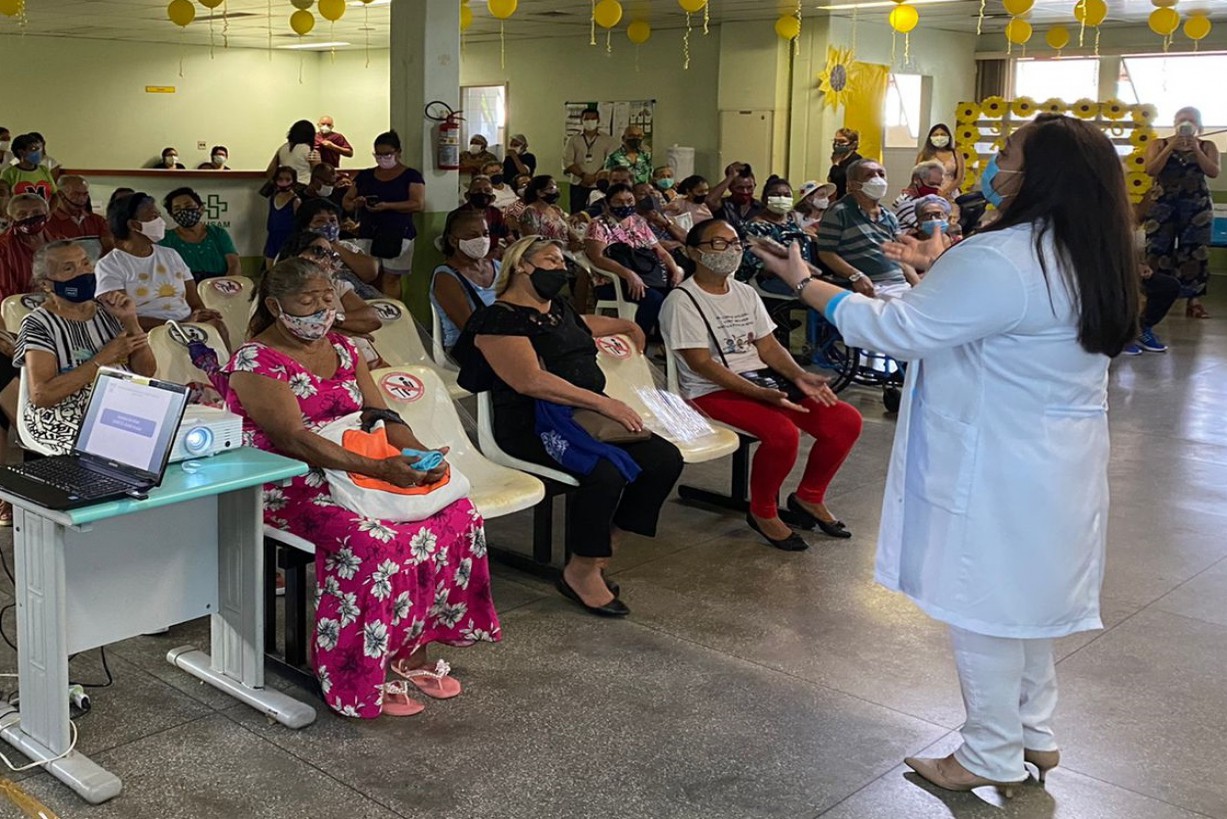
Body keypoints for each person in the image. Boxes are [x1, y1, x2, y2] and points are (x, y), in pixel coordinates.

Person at [757, 112, 1140, 797]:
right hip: (1057, 456)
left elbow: (900, 330)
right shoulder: (1088, 248)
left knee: (984, 602)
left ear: (1039, 175)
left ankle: (988, 752)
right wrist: (940, 270)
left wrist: (805, 280)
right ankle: (1034, 733)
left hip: (995, 458)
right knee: (1026, 599)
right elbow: (996, 314)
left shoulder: (1000, 255)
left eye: (1011, 157)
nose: (997, 168)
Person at [220, 258, 500, 718]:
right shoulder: (255, 361)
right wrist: (383, 469)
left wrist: (416, 453)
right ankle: (351, 669)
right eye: (305, 301)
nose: (319, 310)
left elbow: (380, 417)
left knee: (458, 516)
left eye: (326, 298)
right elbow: (294, 438)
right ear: (275, 305)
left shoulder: (345, 349)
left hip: (358, 469)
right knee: (375, 542)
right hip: (290, 482)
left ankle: (410, 647)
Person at [454, 236, 683, 617]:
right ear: (522, 266)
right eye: (550, 261)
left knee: (663, 459)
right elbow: (530, 381)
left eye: (562, 262)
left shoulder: (555, 307)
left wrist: (623, 324)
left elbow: (576, 325)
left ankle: (602, 548)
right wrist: (604, 403)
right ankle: (581, 570)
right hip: (531, 424)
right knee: (604, 473)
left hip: (582, 418)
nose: (561, 269)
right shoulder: (498, 320)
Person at [662, 219, 862, 550]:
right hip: (709, 390)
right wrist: (761, 394)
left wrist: (798, 375)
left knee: (844, 420)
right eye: (718, 244)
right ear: (693, 253)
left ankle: (809, 496)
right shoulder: (682, 300)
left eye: (735, 243)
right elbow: (701, 363)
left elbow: (768, 347)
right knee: (782, 433)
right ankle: (763, 510)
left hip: (761, 381)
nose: (730, 251)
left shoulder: (745, 292)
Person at [17, 240, 157, 454]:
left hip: (122, 407)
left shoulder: (109, 310)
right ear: (46, 284)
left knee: (167, 439)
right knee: (128, 447)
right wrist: (102, 360)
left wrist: (130, 320)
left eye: (85, 263)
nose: (82, 273)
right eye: (68, 268)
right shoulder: (39, 323)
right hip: (67, 414)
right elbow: (42, 396)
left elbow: (146, 372)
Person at [95, 191, 229, 346]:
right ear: (134, 225)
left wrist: (202, 314)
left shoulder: (171, 255)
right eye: (153, 217)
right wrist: (180, 324)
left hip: (186, 326)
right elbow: (121, 319)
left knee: (216, 325)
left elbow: (195, 303)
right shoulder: (110, 265)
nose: (161, 221)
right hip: (148, 336)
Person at [1143, 106, 1220, 318]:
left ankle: (1193, 301)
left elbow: (1213, 171)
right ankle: (1155, 297)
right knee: (1157, 251)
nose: (1186, 124)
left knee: (1196, 251)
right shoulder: (1158, 144)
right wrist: (1170, 147)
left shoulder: (1207, 146)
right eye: (1182, 120)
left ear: (1199, 125)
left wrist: (1195, 148)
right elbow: (1150, 170)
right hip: (1162, 205)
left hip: (1197, 207)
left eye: (1191, 120)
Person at [585, 184, 683, 338]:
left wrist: (675, 270)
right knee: (654, 299)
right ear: (607, 203)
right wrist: (628, 275)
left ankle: (664, 342)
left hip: (647, 275)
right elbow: (597, 258)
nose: (625, 205)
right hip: (614, 281)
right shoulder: (598, 224)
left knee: (676, 297)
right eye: (618, 202)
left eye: (629, 201)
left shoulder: (637, 221)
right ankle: (636, 340)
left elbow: (660, 250)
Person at [343, 131, 425, 298]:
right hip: (368, 231)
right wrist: (356, 203)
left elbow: (417, 204)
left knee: (391, 278)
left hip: (398, 232)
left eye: (387, 154)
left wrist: (388, 206)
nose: (382, 158)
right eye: (378, 154)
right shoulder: (365, 176)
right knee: (367, 276)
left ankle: (393, 314)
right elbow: (347, 201)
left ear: (398, 152)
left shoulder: (410, 176)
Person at [817, 159, 913, 298]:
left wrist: (918, 285)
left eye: (881, 174)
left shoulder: (889, 216)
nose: (878, 179)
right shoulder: (839, 212)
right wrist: (856, 276)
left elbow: (900, 257)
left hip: (899, 284)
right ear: (852, 184)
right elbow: (826, 253)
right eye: (869, 175)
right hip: (870, 286)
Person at [281, 230, 381, 343]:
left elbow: (372, 319)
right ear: (294, 253)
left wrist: (332, 321)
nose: (326, 260)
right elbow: (291, 328)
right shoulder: (282, 290)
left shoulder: (336, 284)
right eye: (319, 251)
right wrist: (339, 330)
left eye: (331, 255)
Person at [431, 209, 499, 350]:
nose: (482, 240)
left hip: (504, 340)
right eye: (473, 236)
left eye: (485, 234)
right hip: (469, 349)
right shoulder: (446, 277)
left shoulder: (498, 266)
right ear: (453, 241)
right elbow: (469, 328)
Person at [740, 176, 818, 295]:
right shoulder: (755, 227)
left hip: (802, 276)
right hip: (769, 280)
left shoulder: (792, 222)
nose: (782, 198)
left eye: (787, 195)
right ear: (765, 199)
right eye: (775, 195)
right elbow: (761, 266)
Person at [292, 198, 381, 300]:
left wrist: (333, 245)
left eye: (332, 220)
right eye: (320, 221)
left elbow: (370, 273)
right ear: (305, 228)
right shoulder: (295, 250)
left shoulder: (350, 247)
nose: (328, 225)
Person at [160, 187, 241, 281]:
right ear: (171, 215)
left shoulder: (218, 233)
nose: (184, 212)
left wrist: (225, 289)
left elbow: (234, 265)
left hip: (221, 289)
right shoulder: (167, 240)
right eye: (177, 209)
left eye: (188, 206)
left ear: (201, 209)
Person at [0, 193, 53, 300]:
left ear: (48, 215)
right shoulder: (3, 248)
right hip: (21, 311)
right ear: (10, 219)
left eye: (36, 212)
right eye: (22, 214)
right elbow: (8, 298)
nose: (30, 217)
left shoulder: (61, 242)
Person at [564, 108, 617, 213]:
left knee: (598, 213)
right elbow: (568, 162)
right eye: (587, 119)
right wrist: (584, 176)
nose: (590, 121)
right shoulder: (573, 139)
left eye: (593, 118)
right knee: (576, 213)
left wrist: (595, 177)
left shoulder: (608, 140)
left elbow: (610, 162)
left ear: (598, 120)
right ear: (581, 120)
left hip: (600, 185)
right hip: (578, 184)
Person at [46, 175, 114, 258]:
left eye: (85, 194)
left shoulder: (98, 220)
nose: (82, 199)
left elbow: (110, 248)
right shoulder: (49, 222)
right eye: (76, 194)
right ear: (60, 194)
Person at [516, 175, 581, 250]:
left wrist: (577, 243)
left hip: (566, 252)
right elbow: (532, 241)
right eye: (552, 188)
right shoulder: (530, 212)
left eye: (556, 187)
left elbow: (572, 234)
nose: (556, 191)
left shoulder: (556, 209)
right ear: (539, 192)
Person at [705, 163, 763, 237]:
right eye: (740, 188)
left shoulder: (761, 208)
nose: (745, 192)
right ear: (730, 188)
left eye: (749, 187)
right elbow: (709, 200)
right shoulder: (723, 205)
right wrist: (730, 177)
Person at [892, 160, 947, 232]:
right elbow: (932, 230)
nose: (936, 188)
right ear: (916, 180)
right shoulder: (906, 202)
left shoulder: (925, 200)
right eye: (931, 184)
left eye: (939, 185)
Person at [459, 175, 509, 252]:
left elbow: (508, 236)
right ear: (467, 196)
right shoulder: (458, 216)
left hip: (492, 256)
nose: (482, 193)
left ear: (493, 198)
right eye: (477, 190)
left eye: (487, 191)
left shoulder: (496, 213)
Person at [264, 166, 300, 270]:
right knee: (269, 269)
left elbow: (299, 224)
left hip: (288, 239)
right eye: (280, 179)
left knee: (285, 269)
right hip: (273, 237)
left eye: (288, 179)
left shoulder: (295, 201)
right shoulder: (273, 197)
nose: (284, 182)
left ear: (293, 181)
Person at [1, 134, 57, 200]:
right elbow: (4, 198)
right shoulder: (9, 173)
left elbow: (54, 194)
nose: (38, 152)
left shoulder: (44, 170)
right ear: (21, 152)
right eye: (33, 149)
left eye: (39, 149)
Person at [916, 123, 965, 197]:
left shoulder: (956, 154)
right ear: (930, 138)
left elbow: (960, 178)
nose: (939, 137)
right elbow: (917, 177)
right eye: (935, 135)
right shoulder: (924, 155)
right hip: (928, 195)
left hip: (951, 194)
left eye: (943, 134)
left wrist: (946, 192)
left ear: (948, 137)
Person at [267, 120, 319, 185]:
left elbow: (270, 170)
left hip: (285, 185)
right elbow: (319, 173)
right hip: (304, 186)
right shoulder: (310, 151)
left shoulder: (283, 148)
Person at [827, 128, 863, 201]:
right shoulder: (839, 158)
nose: (837, 144)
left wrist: (835, 165)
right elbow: (831, 180)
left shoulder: (857, 162)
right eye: (835, 141)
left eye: (842, 141)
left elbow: (841, 179)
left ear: (853, 144)